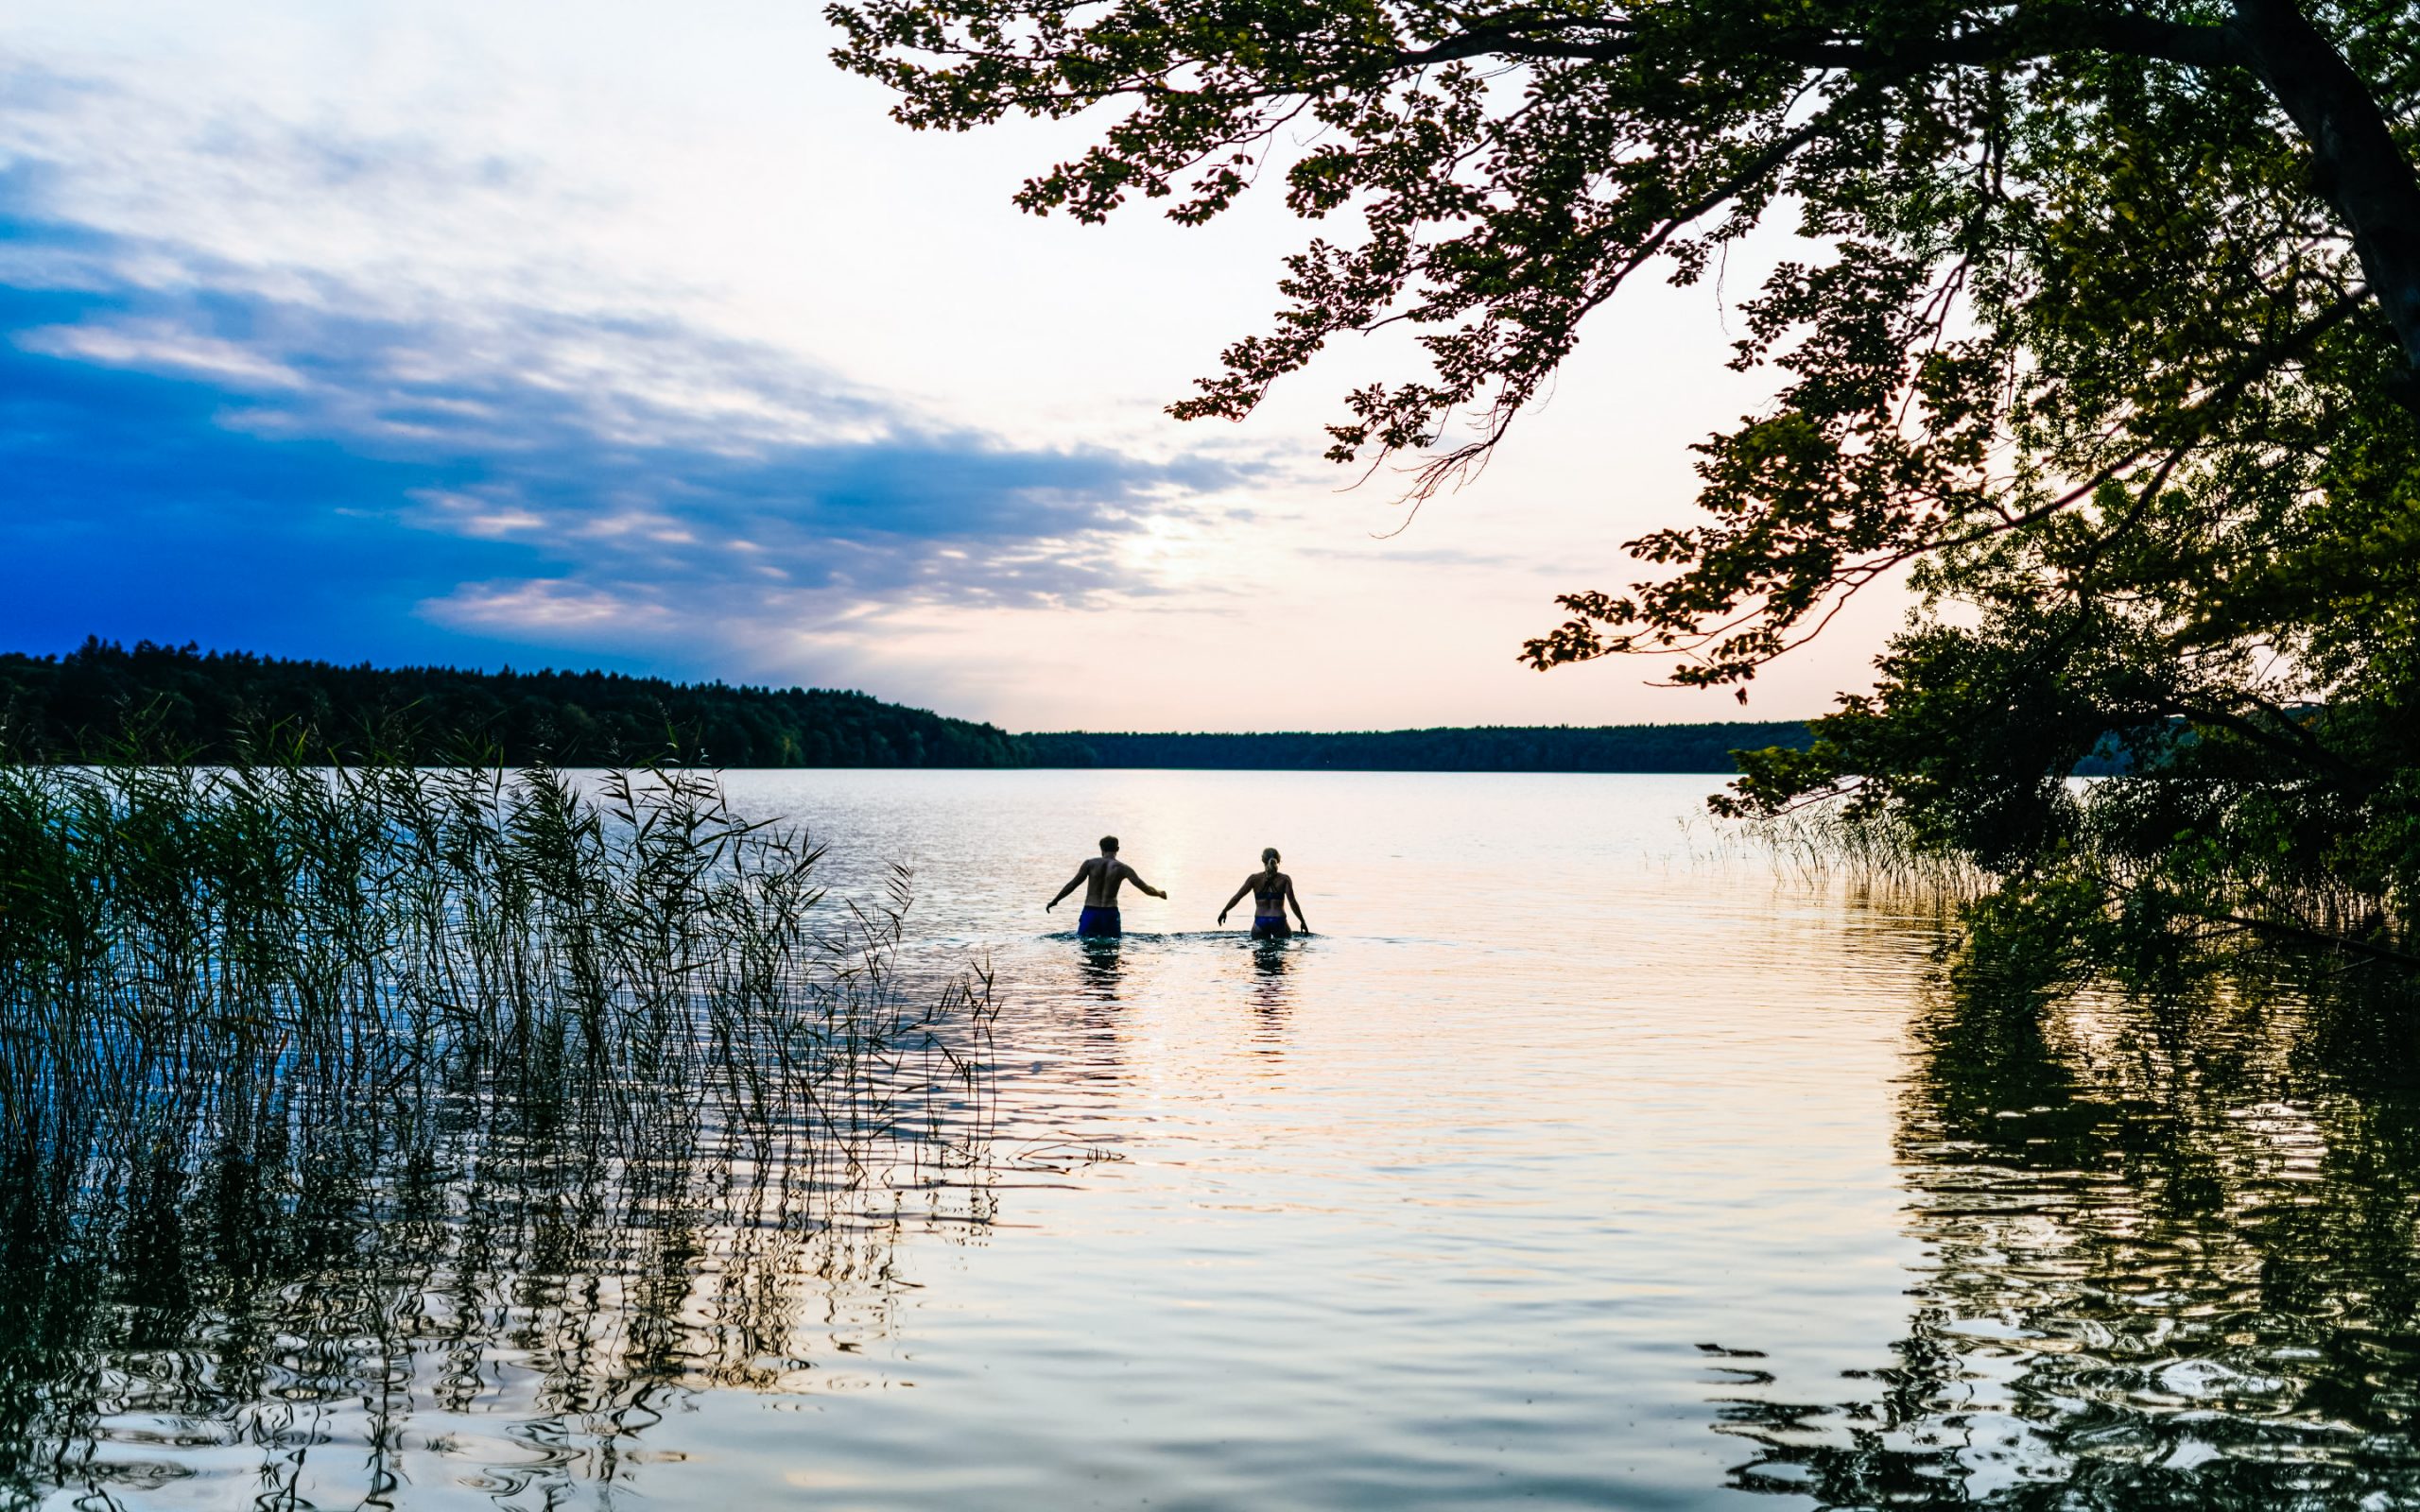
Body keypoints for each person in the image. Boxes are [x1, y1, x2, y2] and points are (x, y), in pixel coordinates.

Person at [1046, 835, 1167, 936]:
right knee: (1112, 949)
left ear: (1101, 849)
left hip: (1090, 912)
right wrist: (1159, 893)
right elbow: (1146, 889)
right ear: (1118, 849)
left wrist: (1055, 901)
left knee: (1086, 947)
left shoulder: (1090, 864)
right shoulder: (1124, 869)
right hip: (1110, 913)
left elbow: (1072, 885)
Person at [1220, 848, 1309, 939]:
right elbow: (1293, 902)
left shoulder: (1254, 879)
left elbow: (1237, 897)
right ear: (1278, 860)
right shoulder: (1285, 879)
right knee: (1282, 950)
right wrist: (1302, 921)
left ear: (1263, 860)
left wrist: (1224, 911)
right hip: (1279, 921)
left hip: (1260, 921)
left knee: (1260, 951)